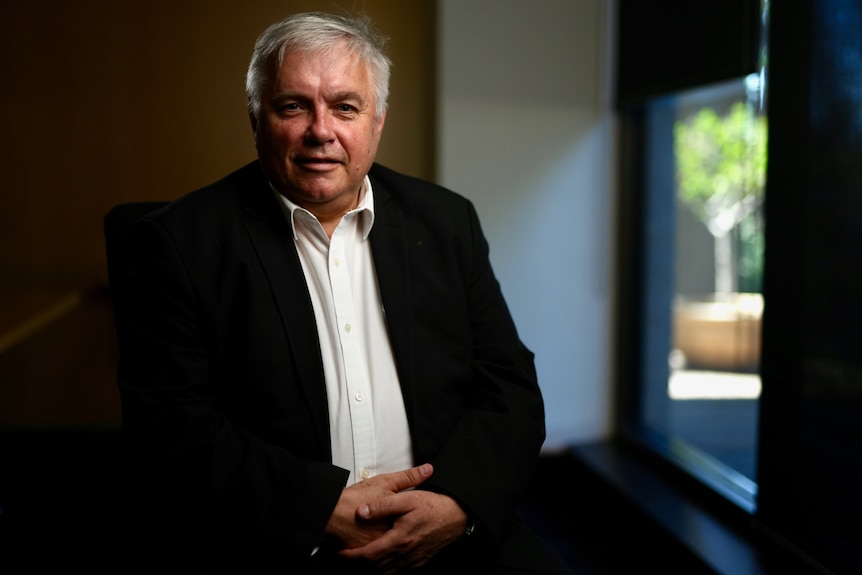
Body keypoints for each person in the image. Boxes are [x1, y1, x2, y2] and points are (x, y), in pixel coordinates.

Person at [114, 11, 572, 574]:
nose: (321, 131)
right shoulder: (177, 242)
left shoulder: (447, 222)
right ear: (256, 118)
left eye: (345, 106)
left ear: (377, 120)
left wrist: (458, 504)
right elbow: (168, 423)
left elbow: (511, 387)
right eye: (293, 106)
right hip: (276, 538)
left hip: (444, 527)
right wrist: (315, 509)